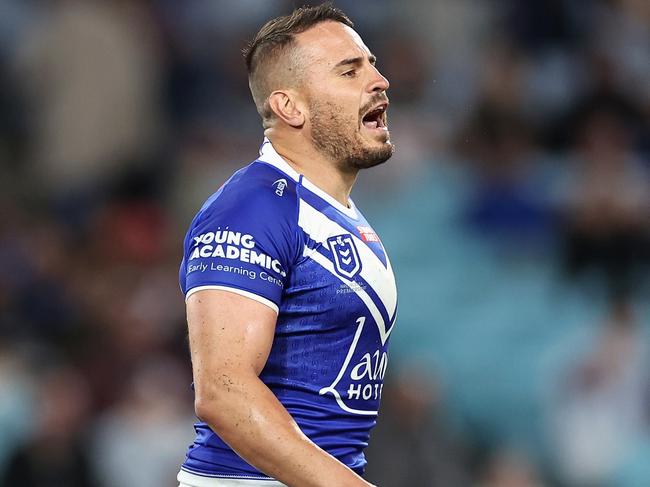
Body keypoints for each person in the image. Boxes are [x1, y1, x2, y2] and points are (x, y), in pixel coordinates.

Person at [176, 4, 397, 487]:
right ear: (289, 107)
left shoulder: (335, 214)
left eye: (372, 64)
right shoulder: (251, 210)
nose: (379, 80)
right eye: (349, 70)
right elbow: (223, 390)